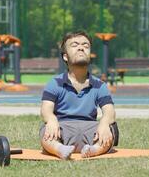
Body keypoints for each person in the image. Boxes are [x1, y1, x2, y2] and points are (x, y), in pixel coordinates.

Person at [39, 31, 117, 160]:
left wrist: (104, 123)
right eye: (75, 45)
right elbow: (45, 110)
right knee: (45, 129)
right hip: (63, 129)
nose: (81, 47)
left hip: (91, 130)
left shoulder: (100, 85)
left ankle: (94, 150)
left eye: (86, 45)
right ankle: (60, 149)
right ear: (65, 56)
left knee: (112, 128)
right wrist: (52, 120)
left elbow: (110, 112)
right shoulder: (55, 83)